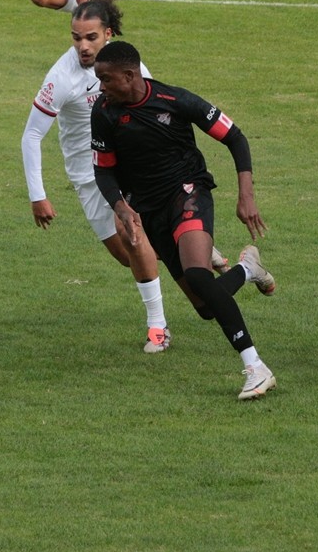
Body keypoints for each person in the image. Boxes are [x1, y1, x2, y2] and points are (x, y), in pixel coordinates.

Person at [21, 0, 230, 353]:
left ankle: (158, 327)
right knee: (126, 253)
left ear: (108, 33)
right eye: (75, 38)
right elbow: (32, 135)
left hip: (127, 167)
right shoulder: (60, 77)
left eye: (90, 37)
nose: (82, 47)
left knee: (131, 233)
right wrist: (37, 194)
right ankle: (194, 247)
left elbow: (153, 109)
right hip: (87, 176)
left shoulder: (128, 66)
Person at [90, 41, 278, 401]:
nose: (100, 87)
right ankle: (246, 268)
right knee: (206, 306)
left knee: (197, 274)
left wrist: (246, 196)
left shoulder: (175, 101)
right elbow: (104, 172)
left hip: (188, 192)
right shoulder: (105, 112)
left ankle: (255, 366)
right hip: (149, 210)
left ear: (129, 76)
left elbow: (235, 137)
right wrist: (120, 206)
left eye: (106, 79)